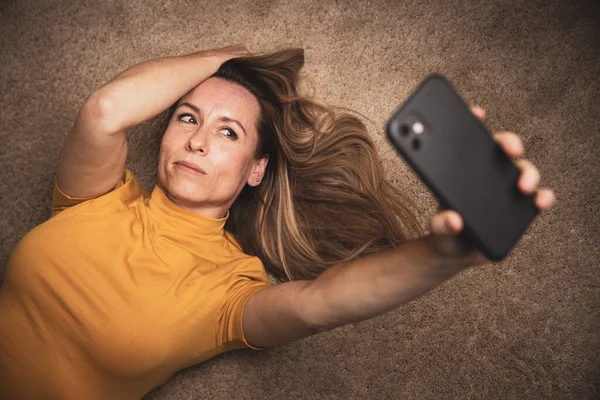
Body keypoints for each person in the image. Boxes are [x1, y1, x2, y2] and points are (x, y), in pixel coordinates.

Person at [0, 44, 556, 399]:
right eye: (187, 118)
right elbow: (103, 112)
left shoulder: (226, 289)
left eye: (228, 132)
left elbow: (318, 304)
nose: (196, 139)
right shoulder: (95, 197)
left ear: (255, 169)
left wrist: (444, 256)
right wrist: (231, 59)